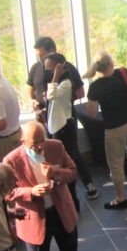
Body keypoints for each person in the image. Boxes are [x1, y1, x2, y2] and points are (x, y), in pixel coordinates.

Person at [4, 121, 97, 251]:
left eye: (42, 140)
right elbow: (7, 192)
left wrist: (56, 173)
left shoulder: (56, 147)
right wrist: (31, 191)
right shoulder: (11, 161)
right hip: (34, 220)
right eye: (34, 142)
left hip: (62, 211)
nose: (40, 146)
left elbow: (73, 171)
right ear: (22, 141)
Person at [84, 52, 127, 209]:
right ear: (111, 63)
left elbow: (92, 113)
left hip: (114, 128)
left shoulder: (95, 86)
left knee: (116, 163)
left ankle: (121, 198)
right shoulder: (125, 74)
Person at [43, 53, 97, 200]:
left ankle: (87, 185)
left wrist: (55, 76)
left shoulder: (66, 82)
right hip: (56, 123)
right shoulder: (57, 82)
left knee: (72, 154)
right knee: (60, 156)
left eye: (50, 68)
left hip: (64, 124)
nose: (48, 71)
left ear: (59, 66)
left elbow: (51, 95)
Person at [27, 37, 85, 124]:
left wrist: (62, 99)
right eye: (38, 56)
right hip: (42, 118)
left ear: (52, 50)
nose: (40, 58)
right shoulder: (35, 67)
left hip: (64, 118)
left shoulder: (68, 68)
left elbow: (81, 92)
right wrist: (32, 100)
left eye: (42, 55)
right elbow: (30, 87)